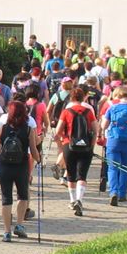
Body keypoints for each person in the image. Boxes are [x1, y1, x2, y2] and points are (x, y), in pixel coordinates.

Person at [0, 100, 40, 242]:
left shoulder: (3, 128)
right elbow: (33, 150)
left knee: (6, 199)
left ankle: (7, 232)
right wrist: (39, 159)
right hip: (21, 166)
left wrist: (1, 152)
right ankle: (19, 225)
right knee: (22, 196)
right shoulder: (28, 129)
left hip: (5, 166)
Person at [53, 87, 97, 216]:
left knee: (71, 175)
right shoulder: (88, 111)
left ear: (71, 97)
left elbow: (58, 131)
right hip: (86, 146)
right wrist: (92, 145)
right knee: (82, 175)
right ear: (83, 97)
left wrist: (61, 141)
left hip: (69, 145)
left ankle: (72, 201)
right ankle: (79, 199)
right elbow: (96, 130)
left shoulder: (66, 111)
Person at [100, 86, 127, 206]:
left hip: (113, 140)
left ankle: (113, 192)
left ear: (118, 96)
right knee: (125, 168)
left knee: (113, 168)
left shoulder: (112, 108)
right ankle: (122, 194)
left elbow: (104, 125)